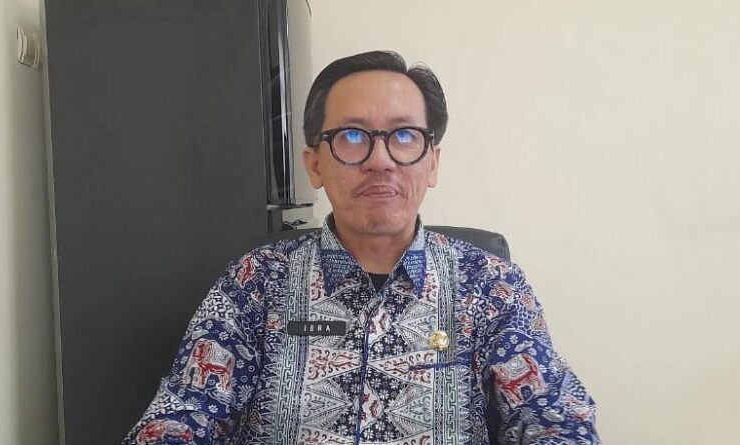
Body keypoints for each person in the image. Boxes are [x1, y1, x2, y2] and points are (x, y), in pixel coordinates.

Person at [122, 50, 601, 445]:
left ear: (432, 163)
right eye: (352, 136)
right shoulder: (256, 280)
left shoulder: (492, 286)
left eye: (404, 136)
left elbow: (554, 419)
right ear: (314, 165)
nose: (380, 160)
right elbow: (183, 413)